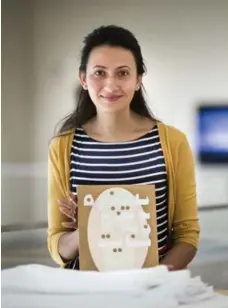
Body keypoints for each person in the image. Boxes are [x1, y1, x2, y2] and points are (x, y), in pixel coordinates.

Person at [47, 25, 200, 271]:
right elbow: (58, 247)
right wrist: (84, 228)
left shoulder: (173, 142)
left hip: (153, 290)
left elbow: (188, 235)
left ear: (138, 79)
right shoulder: (63, 146)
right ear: (83, 79)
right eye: (99, 72)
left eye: (122, 73)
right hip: (85, 290)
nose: (110, 85)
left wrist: (157, 279)